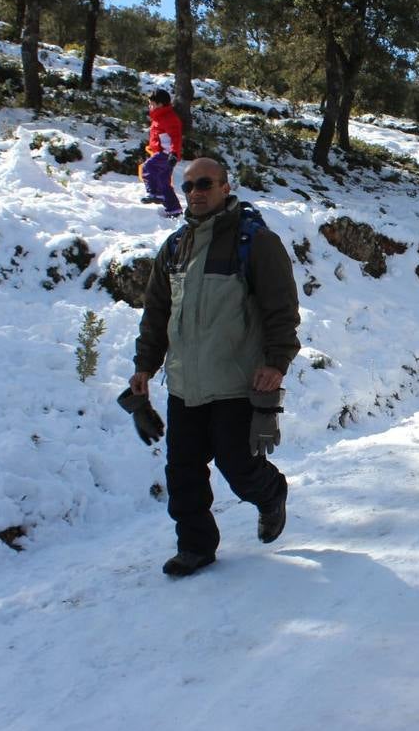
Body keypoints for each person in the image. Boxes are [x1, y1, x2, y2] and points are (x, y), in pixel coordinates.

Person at [129, 157, 301, 577]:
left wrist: (276, 363)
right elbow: (156, 313)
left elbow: (282, 310)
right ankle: (196, 546)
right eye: (187, 187)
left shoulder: (255, 242)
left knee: (239, 467)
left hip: (237, 381)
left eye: (204, 184)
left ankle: (271, 492)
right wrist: (144, 366)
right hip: (185, 382)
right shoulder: (174, 248)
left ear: (225, 187)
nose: (195, 193)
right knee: (182, 472)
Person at [141, 89, 184, 219]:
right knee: (164, 181)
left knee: (148, 167)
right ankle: (174, 209)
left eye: (152, 104)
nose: (150, 107)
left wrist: (174, 153)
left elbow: (176, 137)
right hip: (164, 153)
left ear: (160, 105)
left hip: (166, 154)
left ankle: (155, 193)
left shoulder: (168, 118)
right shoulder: (159, 117)